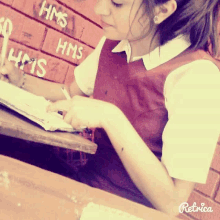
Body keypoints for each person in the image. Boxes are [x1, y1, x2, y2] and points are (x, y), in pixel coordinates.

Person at [0, 0, 220, 216]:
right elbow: (69, 91)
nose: (99, 8)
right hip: (81, 188)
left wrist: (110, 117)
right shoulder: (115, 42)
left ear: (162, 10)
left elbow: (173, 203)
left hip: (122, 212)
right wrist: (19, 81)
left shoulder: (198, 76)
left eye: (117, 3)